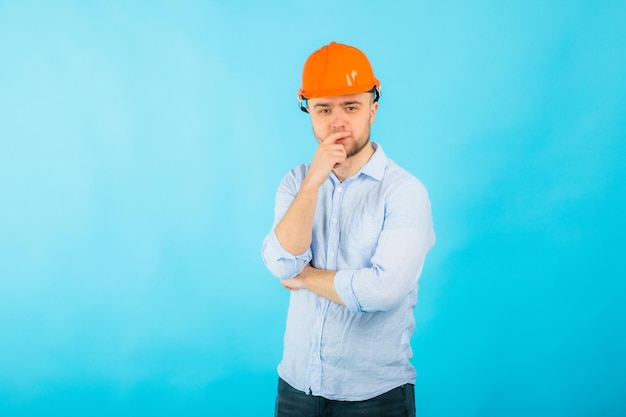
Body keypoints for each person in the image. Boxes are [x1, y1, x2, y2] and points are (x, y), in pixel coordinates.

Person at [261, 41, 436, 417]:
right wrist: (314, 183)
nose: (337, 122)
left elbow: (382, 291)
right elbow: (279, 263)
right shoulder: (296, 183)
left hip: (374, 399)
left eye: (351, 107)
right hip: (296, 392)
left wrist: (305, 277)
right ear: (307, 110)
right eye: (324, 109)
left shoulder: (404, 192)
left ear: (373, 108)